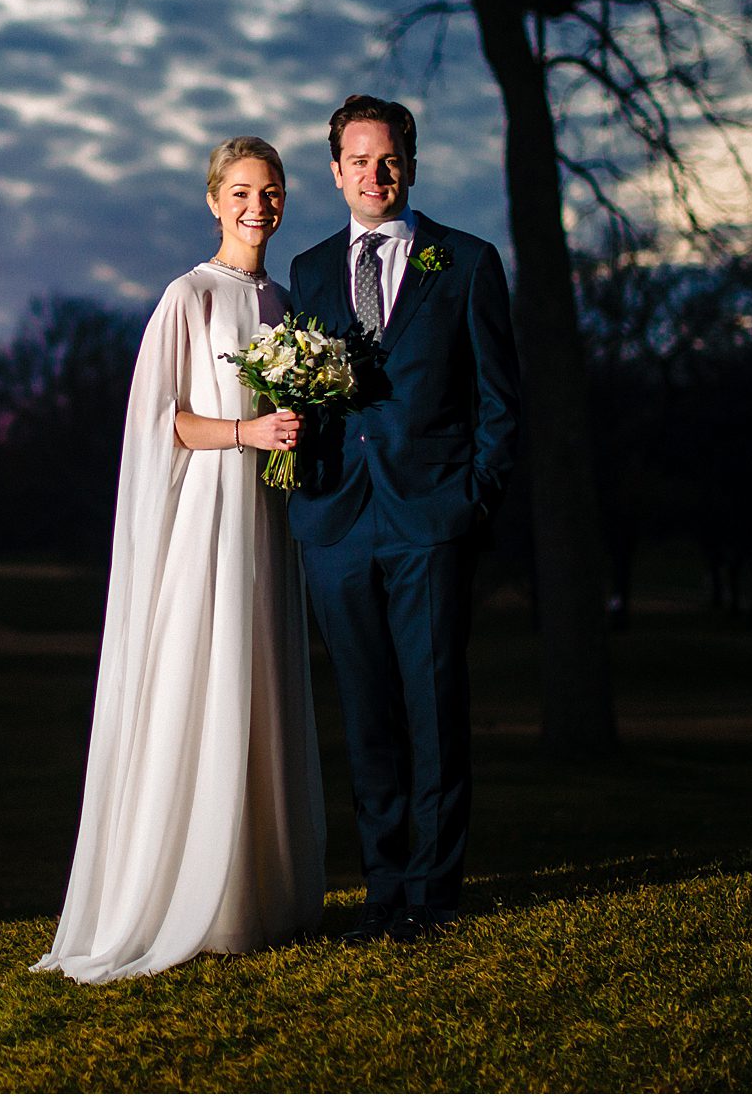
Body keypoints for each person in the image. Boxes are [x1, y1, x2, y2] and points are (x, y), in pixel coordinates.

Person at [32, 136, 328, 984]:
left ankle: (263, 891)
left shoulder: (289, 299)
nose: (257, 205)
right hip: (213, 511)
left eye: (270, 191)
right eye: (240, 190)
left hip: (270, 513)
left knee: (264, 675)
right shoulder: (188, 296)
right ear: (213, 200)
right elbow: (162, 420)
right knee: (210, 671)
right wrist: (247, 432)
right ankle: (198, 895)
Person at [286, 94, 520, 944]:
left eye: (388, 160)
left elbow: (501, 398)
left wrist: (473, 497)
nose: (374, 175)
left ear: (410, 164)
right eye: (357, 161)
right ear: (336, 170)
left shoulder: (465, 261)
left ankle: (434, 893)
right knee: (367, 710)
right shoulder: (309, 271)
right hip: (336, 520)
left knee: (434, 703)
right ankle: (382, 889)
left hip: (431, 517)